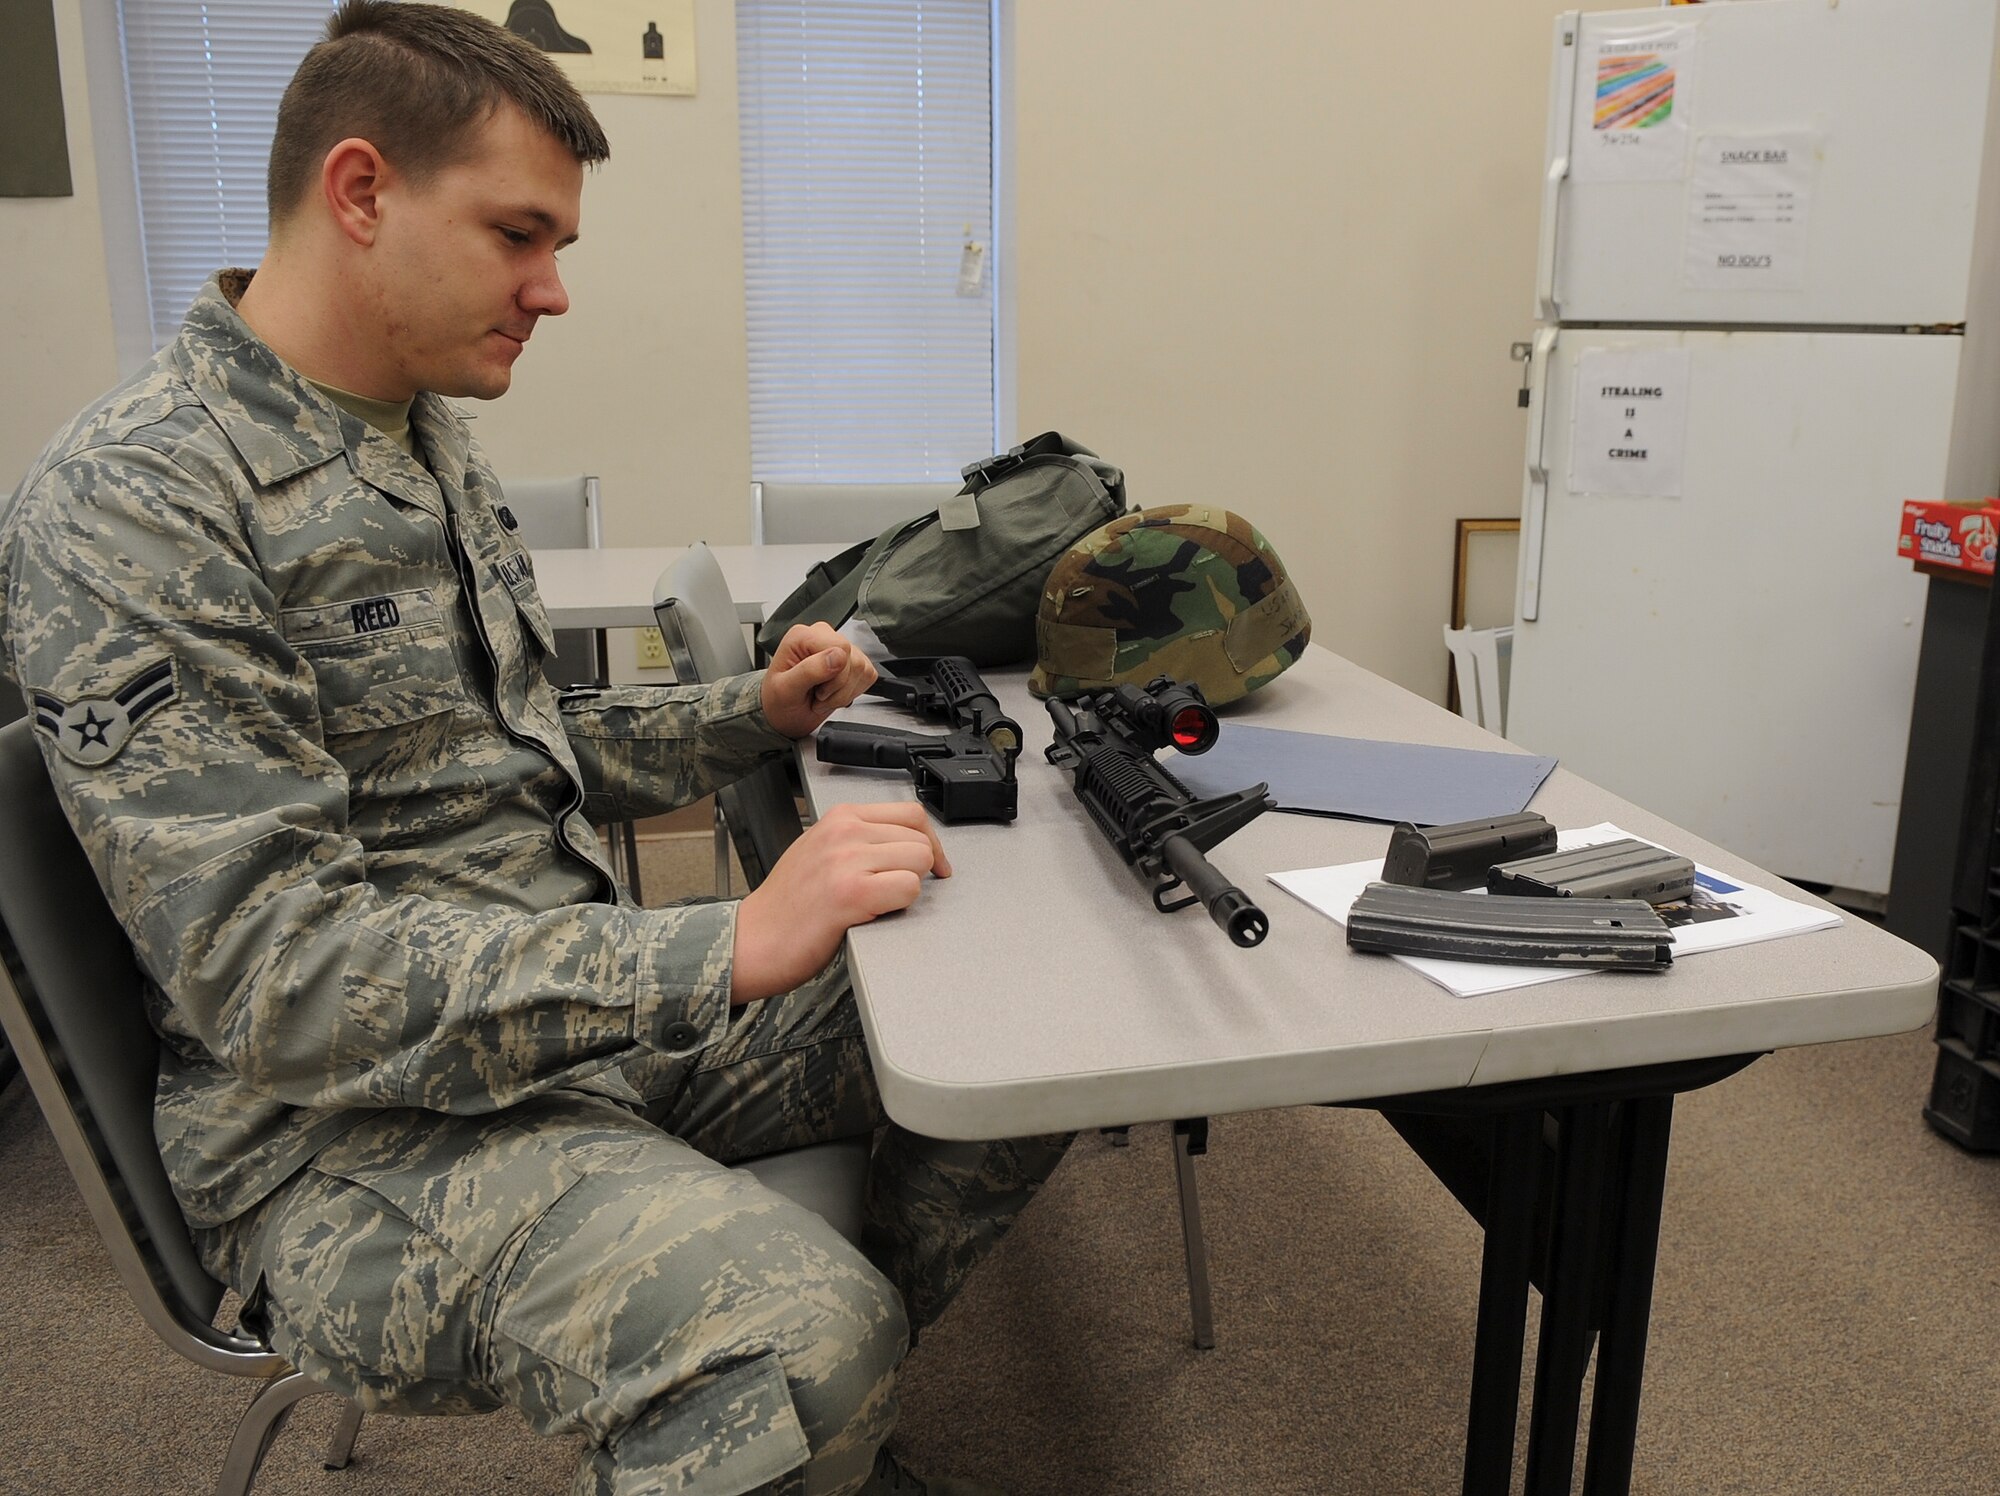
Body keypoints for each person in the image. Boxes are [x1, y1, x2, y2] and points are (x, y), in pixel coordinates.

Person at [0, 5, 1069, 1493]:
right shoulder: (139, 502)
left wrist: (742, 715)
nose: (553, 291)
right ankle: (795, 1385)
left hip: (562, 1041)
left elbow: (519, 742)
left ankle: (792, 1418)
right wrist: (716, 949)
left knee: (1025, 1026)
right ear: (360, 192)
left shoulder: (418, 433)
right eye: (519, 236)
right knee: (802, 1336)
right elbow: (281, 981)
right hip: (348, 1147)